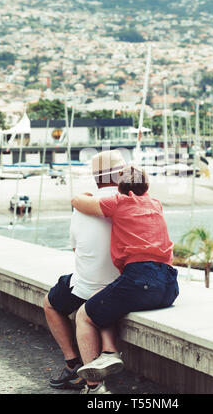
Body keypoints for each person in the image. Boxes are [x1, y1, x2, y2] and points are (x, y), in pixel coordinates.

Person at [72, 165, 179, 395]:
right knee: (99, 299)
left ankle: (94, 387)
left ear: (120, 188)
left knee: (84, 315)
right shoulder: (155, 204)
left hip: (140, 281)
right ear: (147, 186)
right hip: (169, 285)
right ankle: (109, 352)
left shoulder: (118, 202)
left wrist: (84, 195)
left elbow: (78, 202)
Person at [43, 150, 126, 392]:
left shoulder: (82, 204)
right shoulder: (130, 200)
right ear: (120, 174)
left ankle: (72, 364)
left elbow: (75, 248)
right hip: (124, 284)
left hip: (89, 286)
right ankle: (89, 372)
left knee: (50, 303)